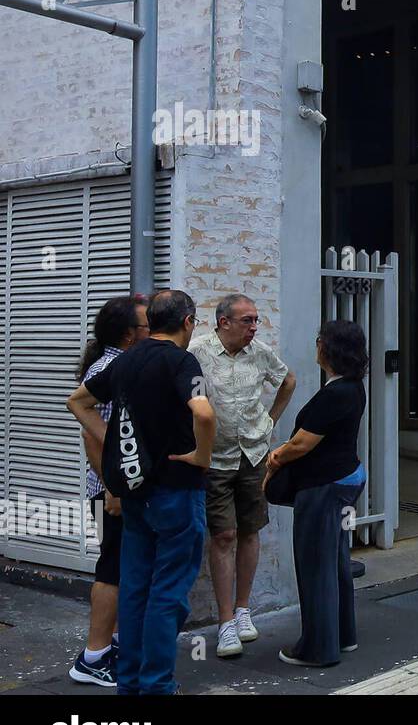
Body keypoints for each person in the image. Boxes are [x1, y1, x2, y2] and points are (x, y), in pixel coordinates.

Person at [66, 289, 215, 696]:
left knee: (134, 589)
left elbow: (78, 402)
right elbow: (202, 411)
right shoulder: (183, 362)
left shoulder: (125, 360)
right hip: (177, 494)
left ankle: (130, 683)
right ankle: (157, 686)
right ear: (187, 322)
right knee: (168, 593)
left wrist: (113, 442)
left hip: (135, 497)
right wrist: (202, 455)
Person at [189, 294, 296, 658]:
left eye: (256, 320)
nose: (254, 327)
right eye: (247, 320)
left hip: (252, 455)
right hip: (215, 459)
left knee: (250, 530)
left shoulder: (260, 352)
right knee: (223, 535)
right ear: (224, 323)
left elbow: (288, 381)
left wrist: (269, 422)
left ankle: (243, 609)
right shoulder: (197, 351)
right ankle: (224, 623)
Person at [264, 320, 369, 667]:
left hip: (324, 487)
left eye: (319, 341)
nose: (316, 346)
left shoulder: (334, 393)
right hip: (347, 479)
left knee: (314, 566)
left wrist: (276, 457)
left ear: (328, 348)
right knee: (335, 561)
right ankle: (343, 636)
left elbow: (302, 444)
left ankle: (318, 648)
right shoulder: (354, 387)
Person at [68, 294, 150, 687]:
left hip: (113, 489)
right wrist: (113, 489)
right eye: (146, 325)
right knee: (111, 569)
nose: (153, 329)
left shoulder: (119, 363)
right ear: (130, 334)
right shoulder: (110, 368)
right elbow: (93, 439)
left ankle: (111, 645)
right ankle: (93, 657)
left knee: (122, 567)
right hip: (108, 492)